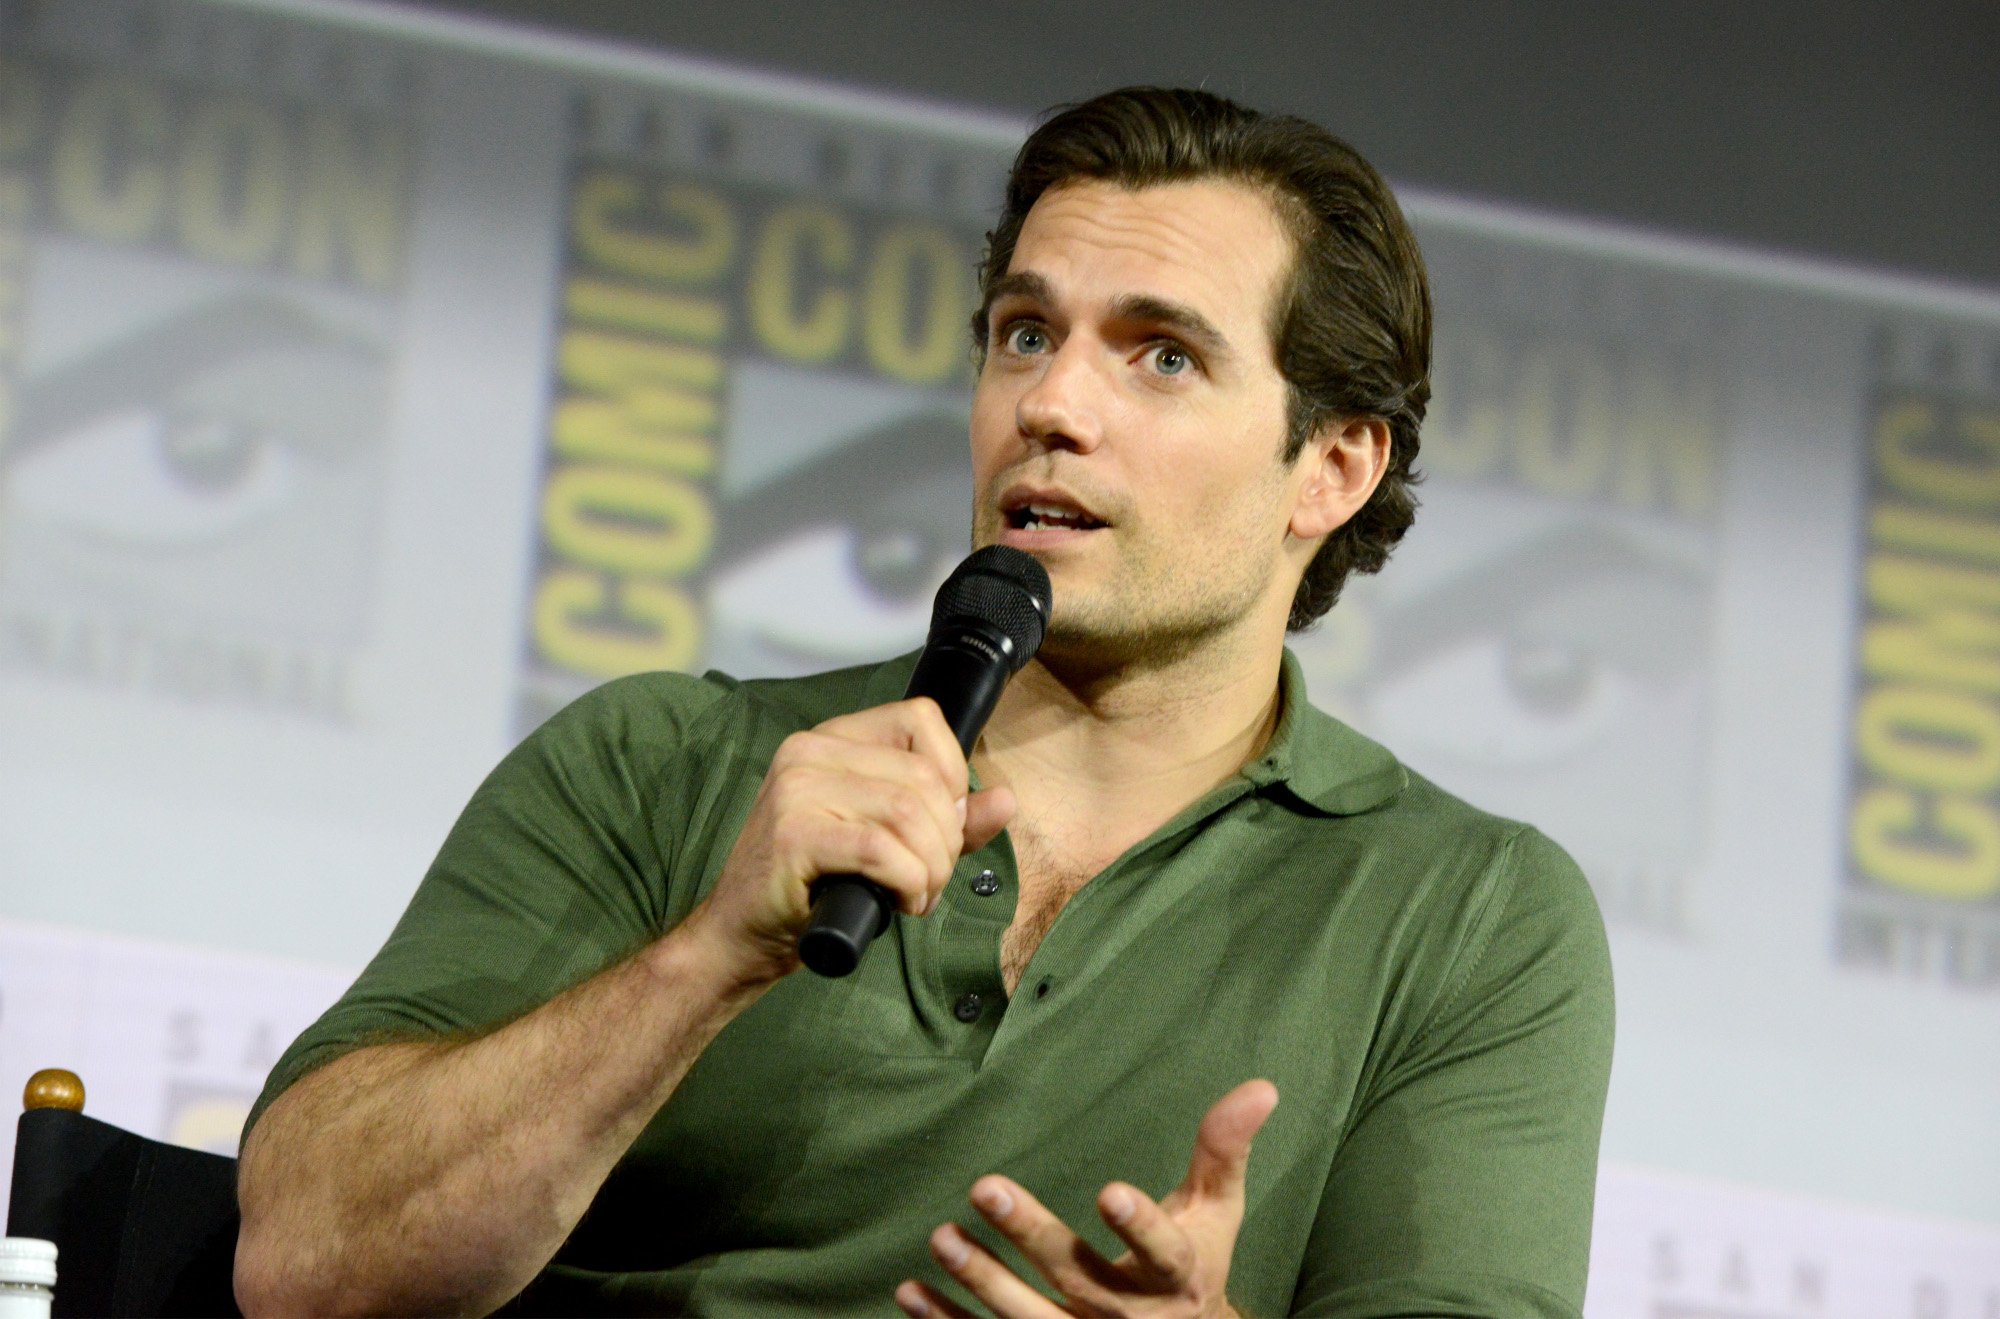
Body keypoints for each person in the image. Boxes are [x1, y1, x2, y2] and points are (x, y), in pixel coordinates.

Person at [234, 87, 1613, 1318]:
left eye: (1164, 357)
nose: (1053, 402)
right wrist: (703, 961)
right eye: (1024, 333)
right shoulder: (665, 760)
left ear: (1331, 468)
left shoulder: (1471, 915)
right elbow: (304, 1263)